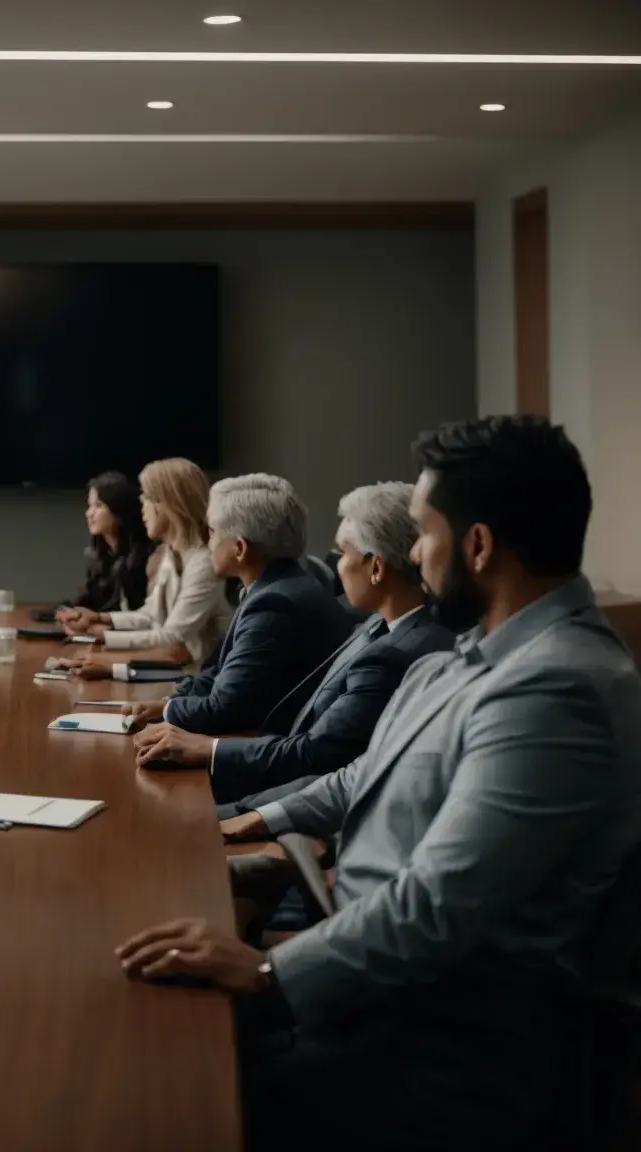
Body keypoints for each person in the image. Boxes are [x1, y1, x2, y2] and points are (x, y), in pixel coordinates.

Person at [116, 416, 641, 1151]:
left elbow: (439, 905)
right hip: (371, 984)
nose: (413, 555)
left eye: (422, 533)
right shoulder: (467, 655)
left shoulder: (559, 688)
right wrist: (250, 837)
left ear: (478, 546)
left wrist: (269, 970)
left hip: (440, 1044)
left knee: (148, 1091)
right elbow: (366, 775)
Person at [134, 482, 457, 805]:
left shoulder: (394, 650)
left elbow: (315, 755)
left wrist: (208, 751)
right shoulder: (374, 623)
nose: (337, 565)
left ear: (376, 567)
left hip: (294, 791)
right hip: (280, 767)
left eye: (343, 553)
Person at [121, 475, 353, 738]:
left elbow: (225, 709)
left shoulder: (274, 605)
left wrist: (168, 711)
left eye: (212, 533)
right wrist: (167, 704)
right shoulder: (277, 585)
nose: (208, 544)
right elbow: (220, 674)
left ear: (239, 548)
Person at [61, 457, 228, 668]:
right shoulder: (172, 555)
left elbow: (172, 636)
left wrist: (104, 636)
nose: (142, 505)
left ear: (169, 505)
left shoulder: (202, 564)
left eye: (147, 496)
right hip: (174, 673)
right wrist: (101, 618)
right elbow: (151, 615)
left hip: (197, 678)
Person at [58, 471, 154, 616]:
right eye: (89, 506)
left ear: (119, 510)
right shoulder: (96, 554)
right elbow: (88, 602)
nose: (89, 513)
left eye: (98, 506)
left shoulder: (147, 555)